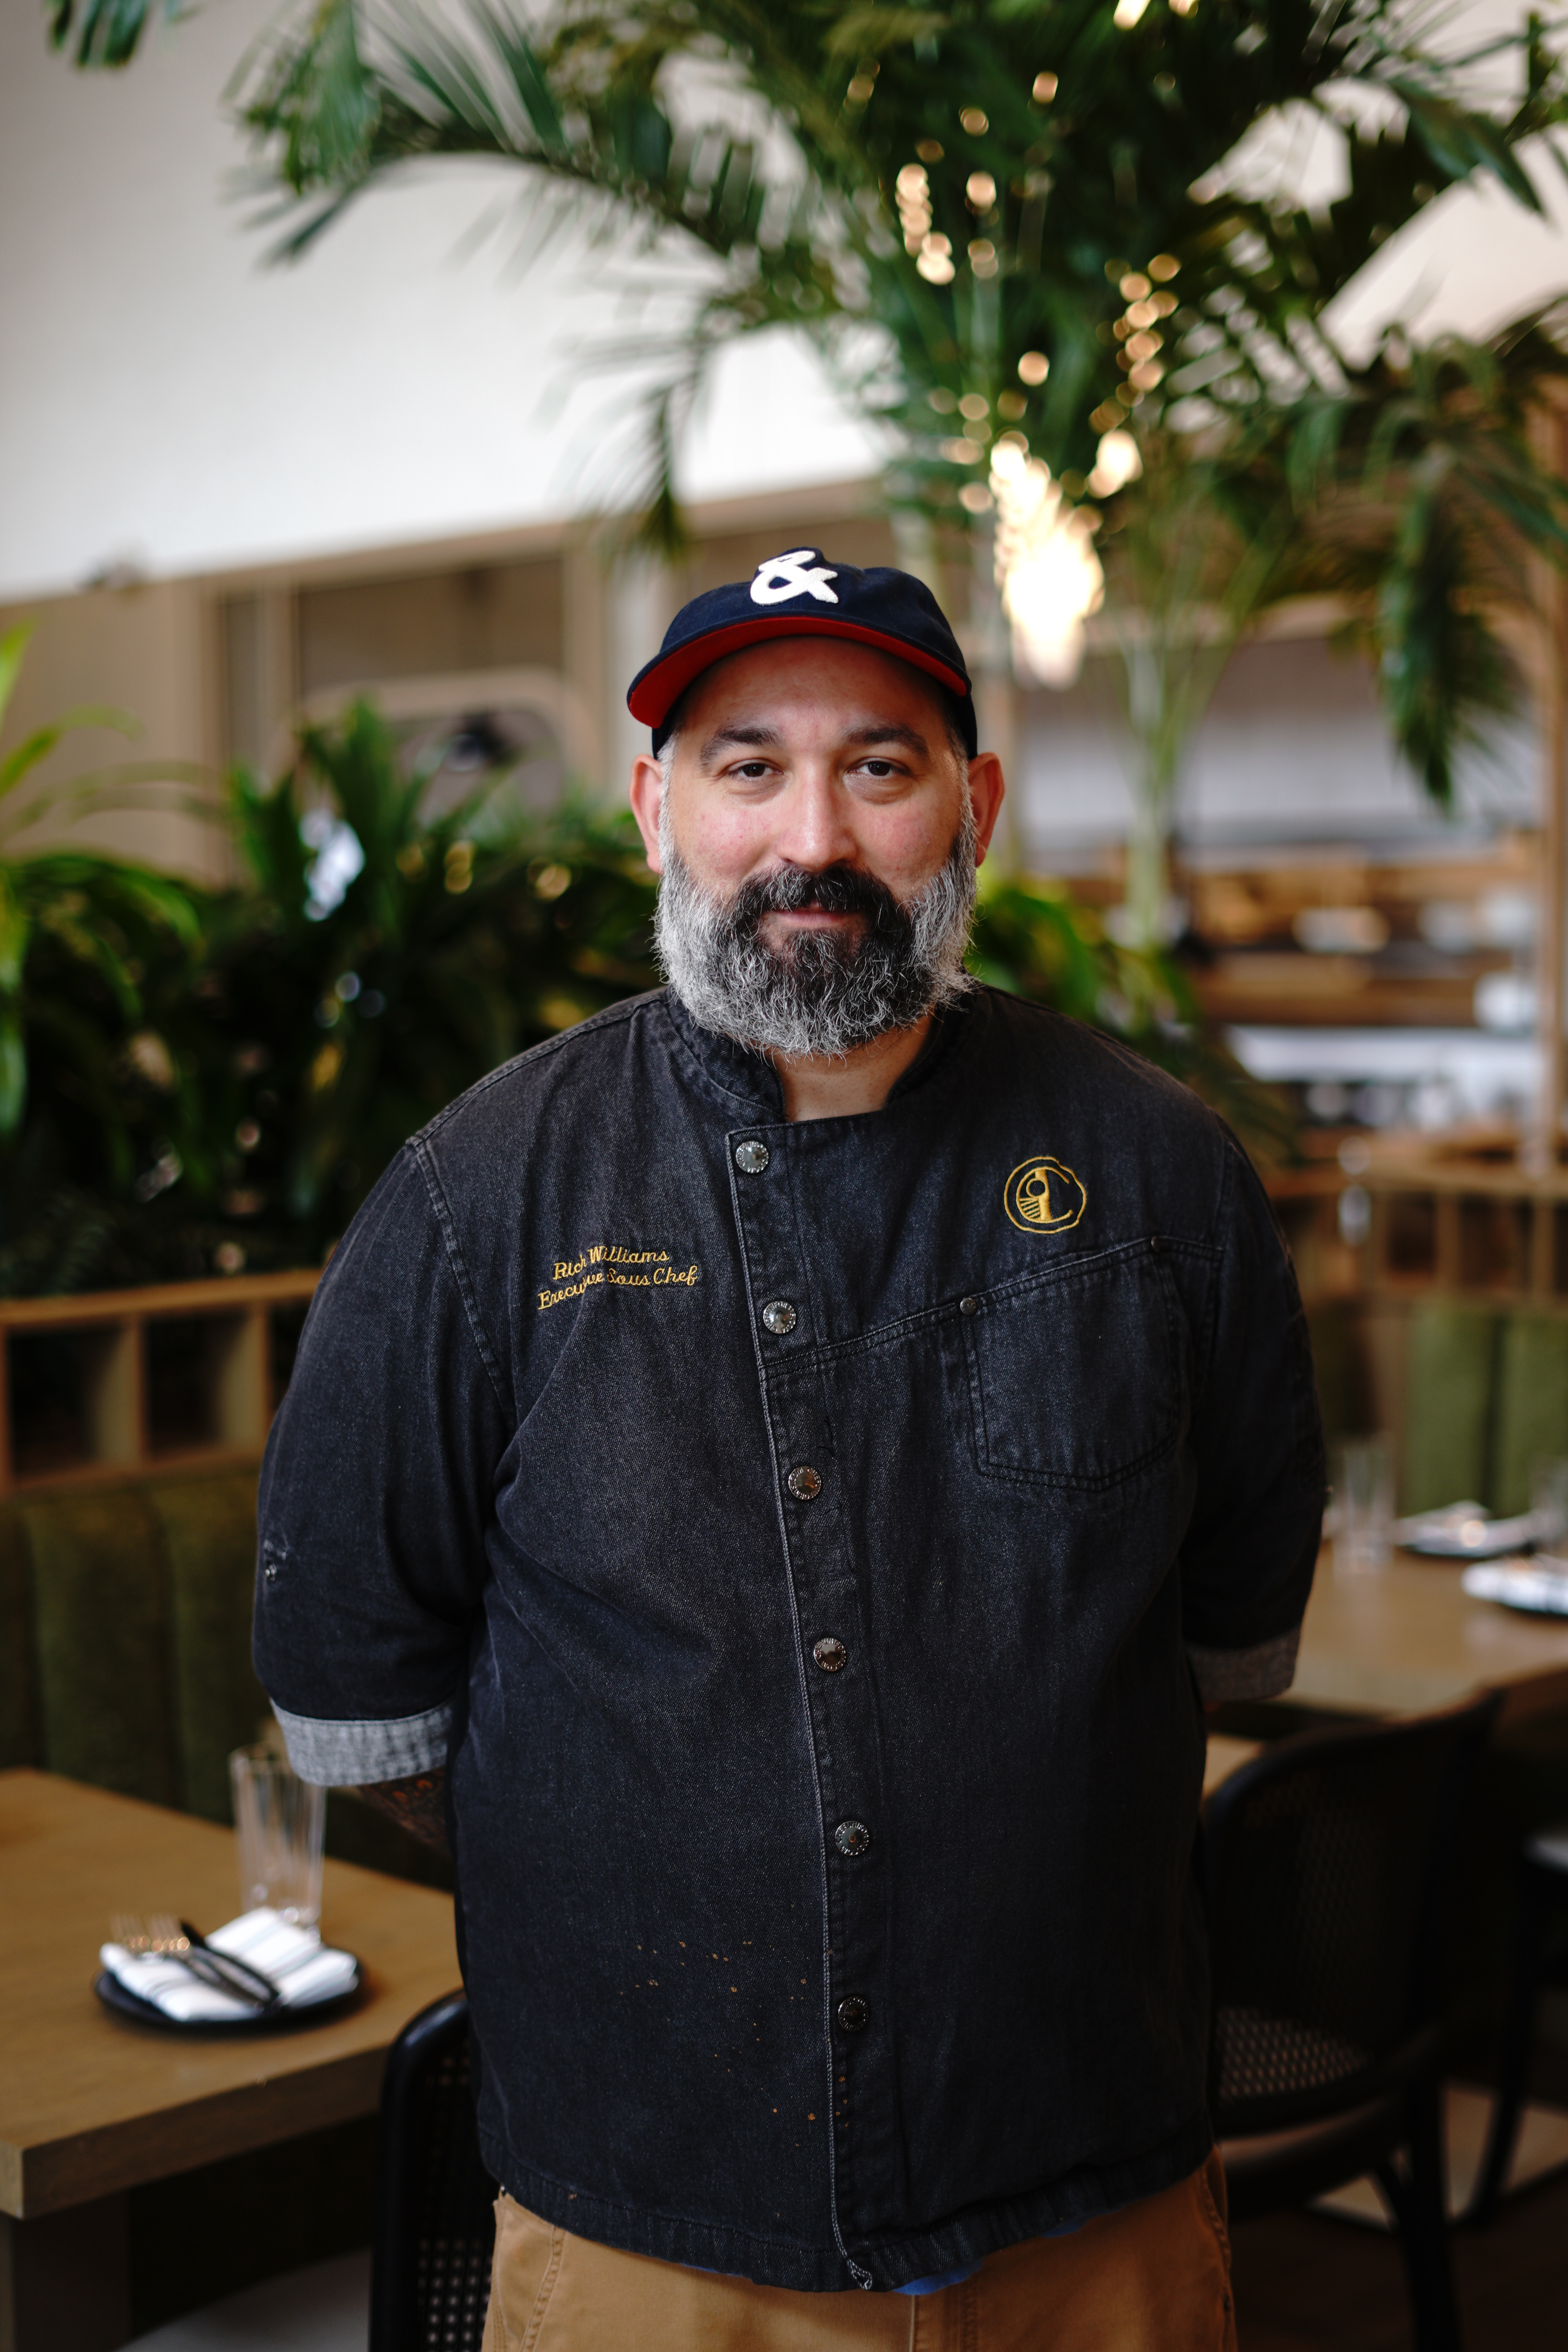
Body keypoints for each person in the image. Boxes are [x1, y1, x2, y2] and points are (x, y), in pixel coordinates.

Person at [255, 547, 1323, 2349]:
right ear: (654, 809)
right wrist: (659, 1840)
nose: (808, 837)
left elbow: (1221, 1631)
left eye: (879, 768)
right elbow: (367, 1697)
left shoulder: (1157, 1175)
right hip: (650, 2213)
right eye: (747, 766)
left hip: (1086, 2184)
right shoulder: (478, 1194)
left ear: (970, 806)